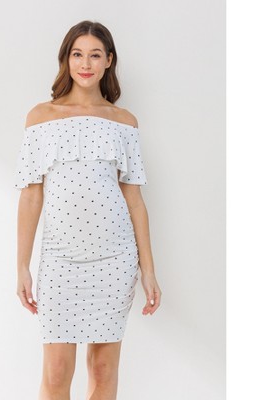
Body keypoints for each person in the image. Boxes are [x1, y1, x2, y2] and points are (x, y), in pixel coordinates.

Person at [14, 20, 162, 400]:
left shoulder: (124, 122)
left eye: (95, 55)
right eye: (77, 54)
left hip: (115, 259)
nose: (85, 63)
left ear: (108, 60)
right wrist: (22, 266)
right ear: (66, 59)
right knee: (56, 372)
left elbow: (134, 200)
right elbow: (31, 197)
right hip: (60, 260)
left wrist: (148, 270)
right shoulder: (40, 118)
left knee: (102, 370)